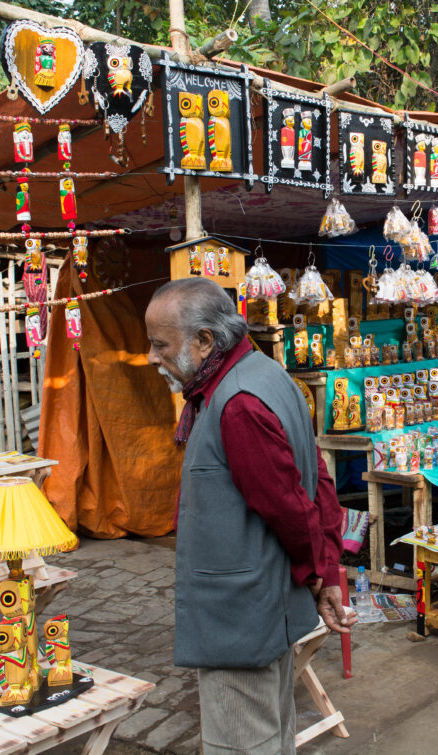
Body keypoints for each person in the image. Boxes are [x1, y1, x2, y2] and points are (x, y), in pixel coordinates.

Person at [145, 278, 354, 754]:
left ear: (204, 341)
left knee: (242, 741)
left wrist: (320, 576)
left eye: (161, 345)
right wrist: (323, 570)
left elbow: (290, 505)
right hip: (260, 605)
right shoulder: (264, 372)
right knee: (269, 735)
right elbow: (315, 481)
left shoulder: (237, 402)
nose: (153, 358)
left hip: (239, 615)